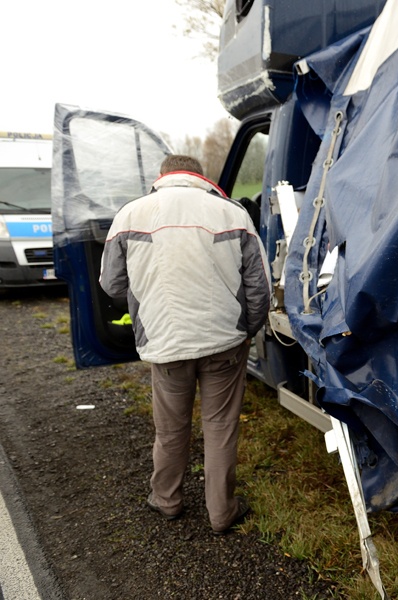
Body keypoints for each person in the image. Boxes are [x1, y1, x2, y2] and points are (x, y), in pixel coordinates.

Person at [99, 155, 271, 534]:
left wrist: (150, 301)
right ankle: (222, 512)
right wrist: (246, 330)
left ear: (162, 177)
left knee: (171, 427)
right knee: (221, 426)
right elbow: (260, 287)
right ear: (200, 177)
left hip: (165, 342)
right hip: (225, 341)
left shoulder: (130, 215)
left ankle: (166, 500)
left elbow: (111, 285)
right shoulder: (233, 213)